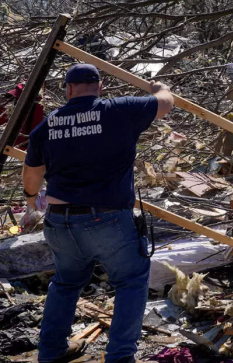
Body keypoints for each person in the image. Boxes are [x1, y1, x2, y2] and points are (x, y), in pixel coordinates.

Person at [22, 63, 175, 363]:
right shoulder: (119, 111)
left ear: (68, 90)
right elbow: (167, 103)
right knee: (130, 281)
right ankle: (119, 357)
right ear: (100, 87)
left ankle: (50, 354)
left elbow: (32, 174)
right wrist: (158, 88)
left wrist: (31, 201)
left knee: (65, 284)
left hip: (60, 221)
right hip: (108, 220)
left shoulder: (47, 126)